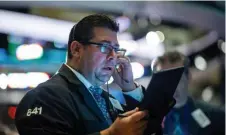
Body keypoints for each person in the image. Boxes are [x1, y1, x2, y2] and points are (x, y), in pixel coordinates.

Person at [15, 14, 173, 135]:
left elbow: (151, 129)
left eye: (116, 49)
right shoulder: (44, 97)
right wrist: (111, 134)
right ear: (76, 49)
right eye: (104, 47)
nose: (114, 56)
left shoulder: (107, 98)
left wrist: (129, 87)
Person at [152, 51, 225, 135]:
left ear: (188, 77)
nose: (171, 86)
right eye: (164, 79)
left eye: (177, 78)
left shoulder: (215, 116)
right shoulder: (149, 120)